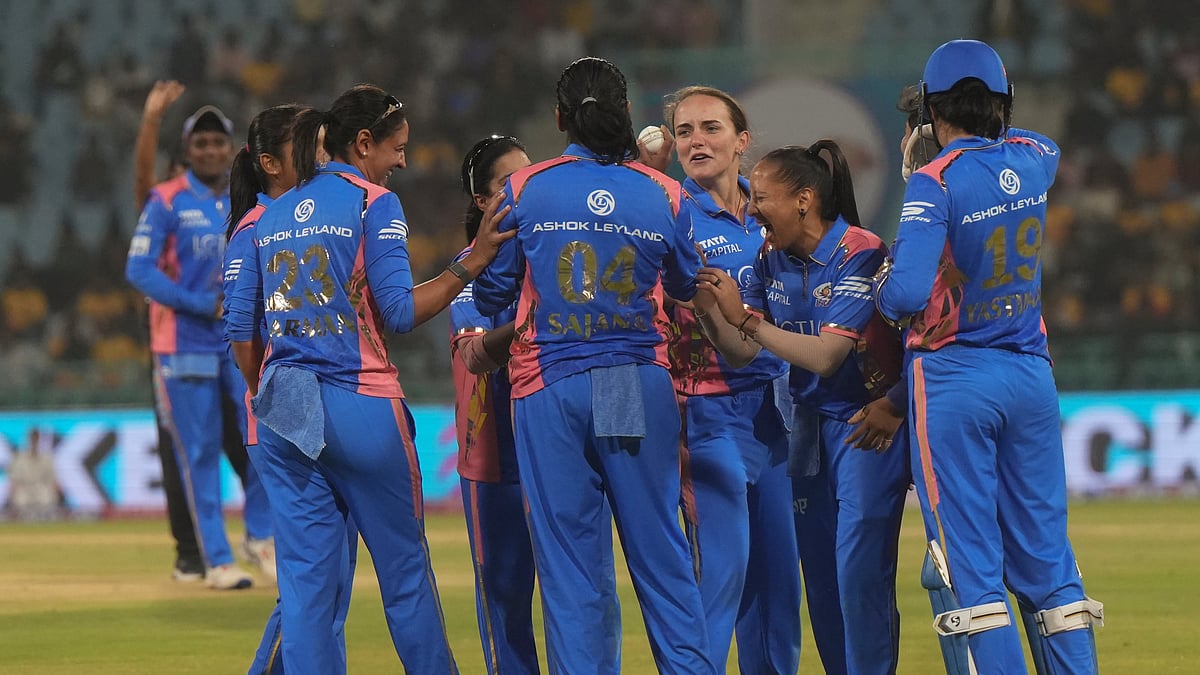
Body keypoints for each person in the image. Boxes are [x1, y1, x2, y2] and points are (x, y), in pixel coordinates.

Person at [224, 83, 511, 673]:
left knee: (305, 589)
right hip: (359, 406)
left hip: (281, 412)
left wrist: (271, 392)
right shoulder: (371, 202)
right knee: (404, 571)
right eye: (397, 148)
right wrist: (473, 261)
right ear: (362, 143)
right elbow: (400, 313)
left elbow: (243, 342)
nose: (402, 161)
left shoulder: (266, 215)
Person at [472, 57, 715, 675]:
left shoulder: (524, 189)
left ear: (559, 118)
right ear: (627, 114)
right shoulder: (663, 191)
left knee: (571, 568)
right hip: (635, 377)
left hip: (548, 385)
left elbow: (491, 295)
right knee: (661, 558)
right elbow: (686, 283)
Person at [875, 39, 1103, 675]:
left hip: (954, 378)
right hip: (1030, 374)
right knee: (1047, 560)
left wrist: (881, 289)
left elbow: (907, 294)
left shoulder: (934, 181)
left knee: (971, 566)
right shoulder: (1033, 161)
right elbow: (1032, 138)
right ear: (1002, 103)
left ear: (929, 107)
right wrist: (980, 122)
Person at [692, 141, 911, 675]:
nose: (751, 206)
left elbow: (826, 356)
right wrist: (705, 308)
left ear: (804, 200)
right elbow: (746, 351)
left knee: (859, 575)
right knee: (821, 579)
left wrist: (744, 319)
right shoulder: (772, 257)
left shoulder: (861, 250)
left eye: (761, 196)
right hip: (808, 430)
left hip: (866, 426)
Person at [651, 85, 802, 674]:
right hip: (704, 414)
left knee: (777, 590)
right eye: (684, 131)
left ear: (742, 141)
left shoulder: (771, 213)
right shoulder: (670, 213)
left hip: (779, 415)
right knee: (720, 582)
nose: (695, 140)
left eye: (710, 128)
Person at [221, 103, 358, 675]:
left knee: (324, 582)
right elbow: (239, 332)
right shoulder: (255, 228)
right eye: (316, 144)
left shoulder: (314, 215)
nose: (324, 155)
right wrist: (267, 397)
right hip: (286, 417)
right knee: (313, 583)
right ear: (273, 163)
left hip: (332, 409)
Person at [126, 103, 272, 590]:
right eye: (201, 143)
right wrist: (197, 304)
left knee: (260, 443)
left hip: (241, 340)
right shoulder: (166, 200)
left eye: (217, 142)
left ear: (231, 149)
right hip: (183, 343)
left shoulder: (249, 200)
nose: (210, 150)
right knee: (200, 452)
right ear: (187, 151)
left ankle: (261, 537)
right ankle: (216, 560)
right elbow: (139, 269)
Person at [449, 134, 540, 675]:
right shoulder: (468, 270)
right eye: (510, 182)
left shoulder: (553, 255)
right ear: (484, 203)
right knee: (505, 595)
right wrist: (530, 322)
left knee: (572, 586)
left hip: (554, 446)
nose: (526, 188)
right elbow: (474, 352)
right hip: (493, 457)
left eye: (532, 174)